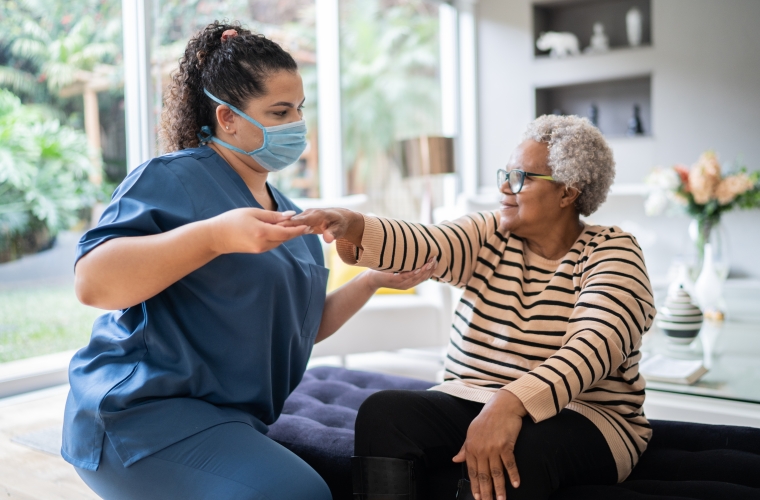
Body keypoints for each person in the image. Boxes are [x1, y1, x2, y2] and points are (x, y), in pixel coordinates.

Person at [62, 22, 436, 500]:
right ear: (228, 118)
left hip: (231, 420)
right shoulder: (171, 179)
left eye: (299, 110)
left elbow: (296, 327)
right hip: (141, 415)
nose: (296, 125)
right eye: (279, 112)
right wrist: (215, 236)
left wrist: (371, 281)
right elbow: (93, 283)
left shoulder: (285, 210)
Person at [284, 115, 656, 500]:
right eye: (504, 174)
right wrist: (351, 224)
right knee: (384, 412)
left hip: (584, 414)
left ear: (568, 193)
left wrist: (510, 404)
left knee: (523, 452)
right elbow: (427, 244)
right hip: (472, 397)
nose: (502, 188)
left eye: (520, 178)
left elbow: (596, 346)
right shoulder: (490, 232)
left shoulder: (612, 251)